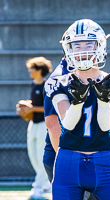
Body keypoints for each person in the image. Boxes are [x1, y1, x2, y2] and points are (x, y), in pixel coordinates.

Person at [45, 19, 110, 200]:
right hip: (67, 162)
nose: (82, 50)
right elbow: (67, 124)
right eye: (76, 45)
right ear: (68, 48)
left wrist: (102, 100)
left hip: (103, 162)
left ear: (99, 45)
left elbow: (105, 124)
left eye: (88, 44)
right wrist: (77, 102)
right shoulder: (58, 83)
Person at [43, 58, 96, 200]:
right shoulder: (59, 79)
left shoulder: (88, 73)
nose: (87, 51)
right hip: (68, 157)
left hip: (89, 156)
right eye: (80, 45)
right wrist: (68, 161)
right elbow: (53, 124)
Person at [17, 57, 52, 199]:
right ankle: (45, 185)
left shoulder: (47, 86)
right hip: (33, 124)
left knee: (41, 156)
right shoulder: (33, 84)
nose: (30, 71)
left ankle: (38, 187)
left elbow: (49, 108)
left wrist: (32, 108)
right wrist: (25, 106)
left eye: (32, 68)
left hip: (44, 125)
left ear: (39, 70)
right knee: (33, 156)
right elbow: (35, 104)